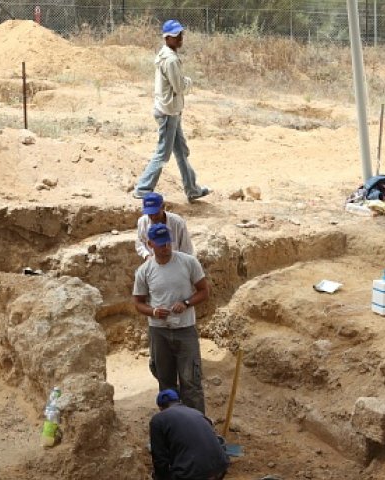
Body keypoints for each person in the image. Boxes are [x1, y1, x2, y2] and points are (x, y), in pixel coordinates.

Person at [133, 224, 210, 413]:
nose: (165, 247)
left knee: (191, 382)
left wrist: (186, 302)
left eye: (167, 242)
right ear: (150, 244)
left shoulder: (188, 262)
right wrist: (153, 312)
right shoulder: (144, 271)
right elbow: (138, 302)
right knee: (166, 383)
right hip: (159, 332)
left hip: (185, 330)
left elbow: (204, 291)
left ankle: (197, 426)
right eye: (160, 244)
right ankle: (172, 425)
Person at [132, 19, 211, 203]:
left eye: (181, 34)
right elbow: (179, 87)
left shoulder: (165, 54)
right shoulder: (171, 59)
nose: (180, 38)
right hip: (168, 112)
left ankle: (192, 189)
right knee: (163, 153)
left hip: (170, 110)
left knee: (181, 151)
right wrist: (188, 82)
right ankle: (143, 188)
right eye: (176, 36)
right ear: (167, 38)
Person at [149, 389, 229, 480]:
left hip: (192, 475)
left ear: (160, 407)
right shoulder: (196, 413)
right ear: (179, 401)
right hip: (220, 469)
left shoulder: (158, 420)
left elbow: (159, 458)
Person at [136, 192, 194, 261]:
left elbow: (187, 250)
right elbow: (140, 242)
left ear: (163, 207)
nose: (153, 217)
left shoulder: (178, 223)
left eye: (155, 212)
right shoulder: (142, 222)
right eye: (150, 213)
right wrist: (147, 256)